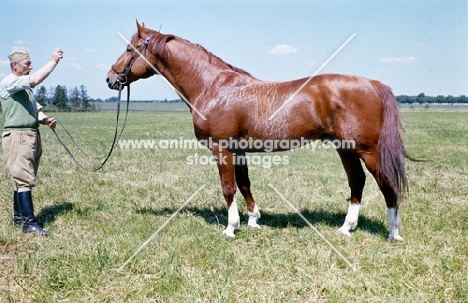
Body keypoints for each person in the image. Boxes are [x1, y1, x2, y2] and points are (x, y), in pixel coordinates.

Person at [0, 49, 63, 236]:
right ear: (15, 65)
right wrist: (53, 61)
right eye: (27, 63)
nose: (30, 66)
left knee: (22, 180)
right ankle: (29, 224)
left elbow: (36, 111)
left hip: (31, 135)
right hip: (18, 136)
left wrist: (45, 120)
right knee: (24, 179)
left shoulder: (25, 88)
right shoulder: (9, 82)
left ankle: (19, 220)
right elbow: (35, 79)